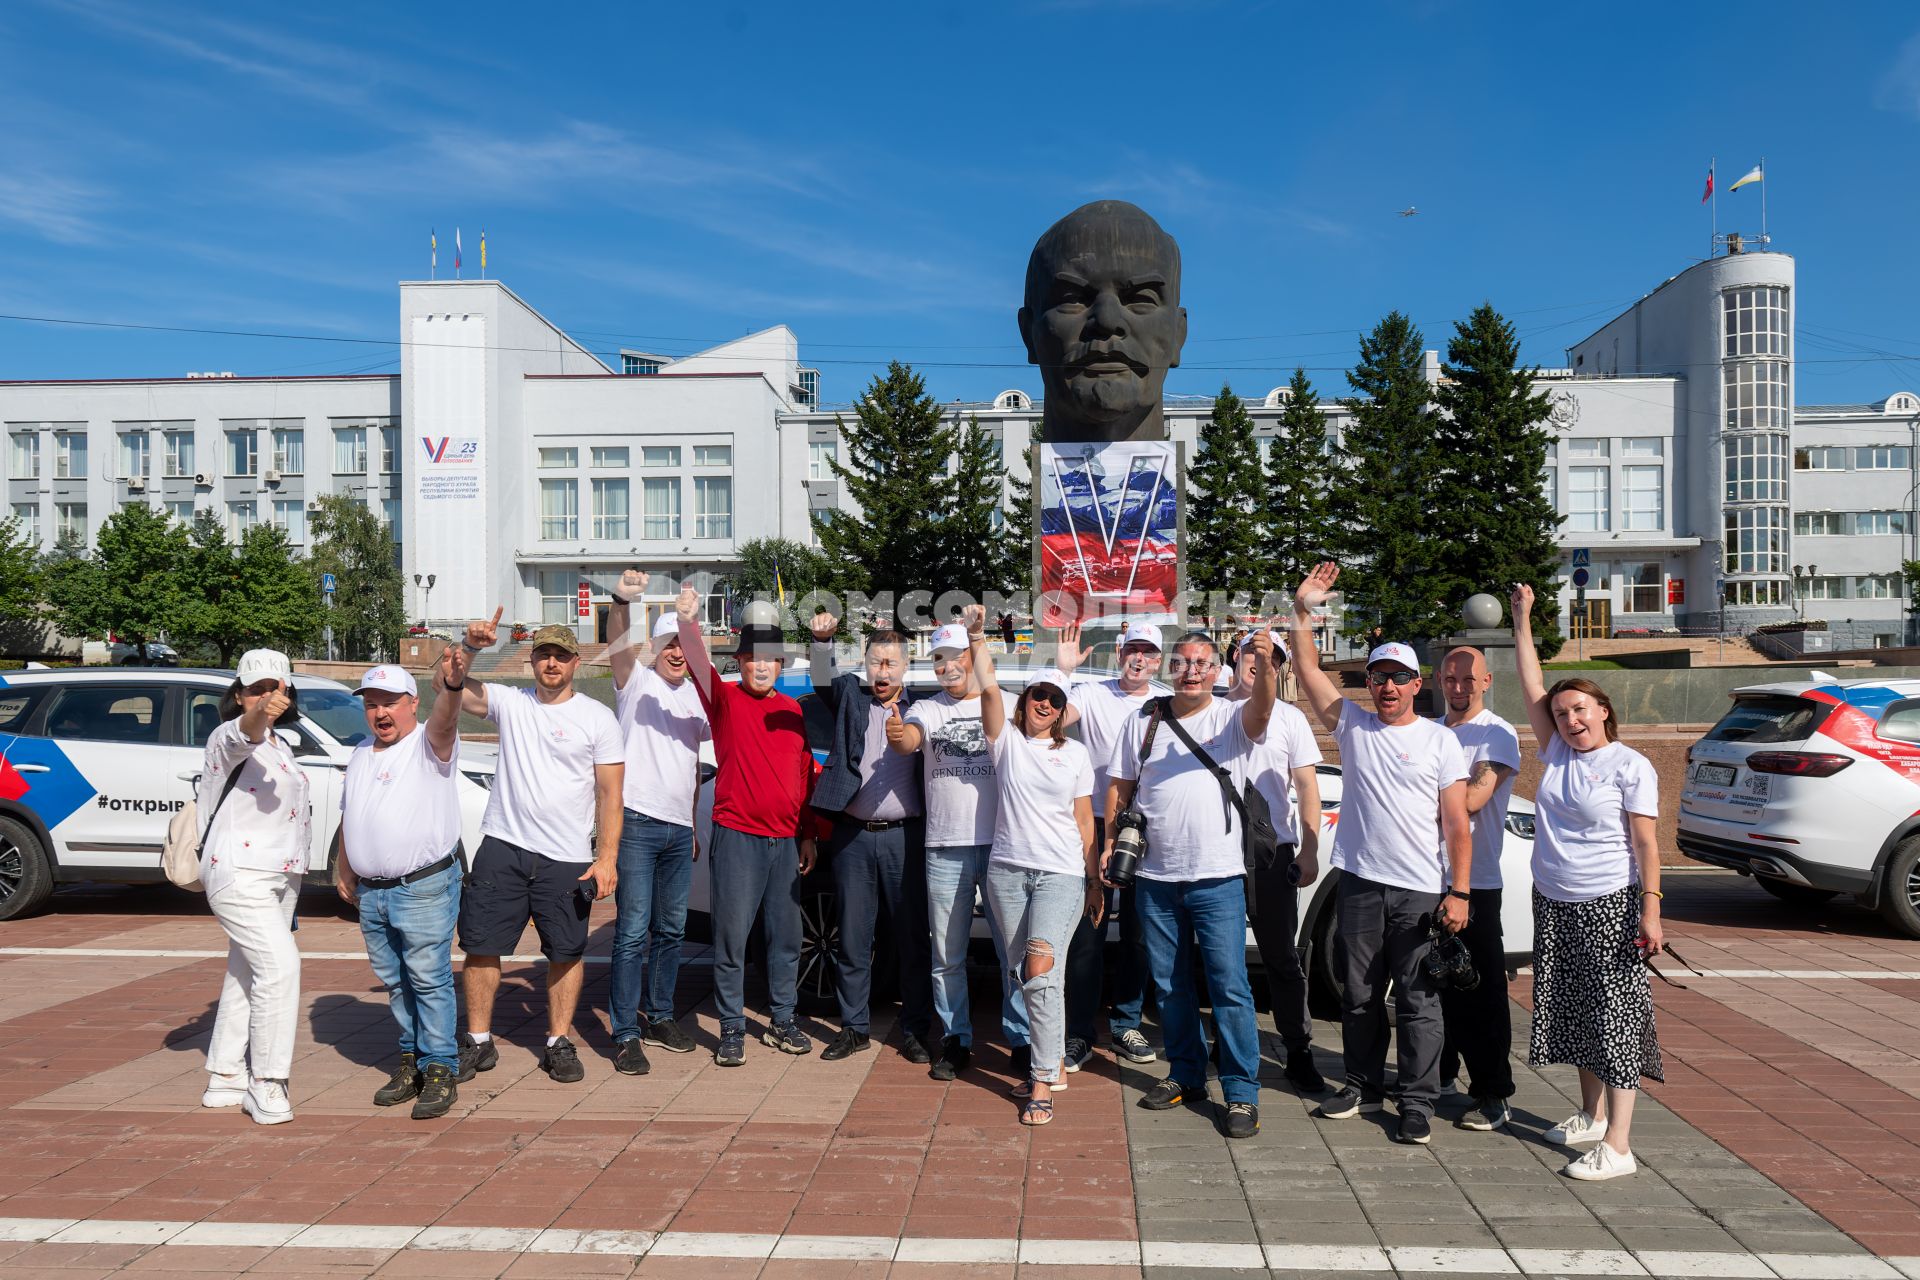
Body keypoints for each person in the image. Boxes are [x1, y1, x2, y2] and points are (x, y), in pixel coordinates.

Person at [1290, 563, 1471, 1147]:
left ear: (1418, 684)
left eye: (1398, 677)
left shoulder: (1441, 740)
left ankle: (1416, 1102)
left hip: (1420, 890)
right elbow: (1307, 670)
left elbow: (1456, 824)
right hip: (1361, 883)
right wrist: (1303, 611)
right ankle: (1363, 1084)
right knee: (1360, 995)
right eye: (1378, 677)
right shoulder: (1354, 727)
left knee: (1419, 1000)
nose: (1387, 686)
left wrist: (1459, 891)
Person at [1511, 584, 1664, 1181]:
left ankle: (1620, 1147)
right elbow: (1531, 684)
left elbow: (1647, 843)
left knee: (1615, 1018)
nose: (1570, 720)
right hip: (1555, 900)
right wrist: (1522, 621)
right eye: (1561, 713)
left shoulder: (1630, 766)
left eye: (1580, 710)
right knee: (1575, 1013)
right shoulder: (1555, 754)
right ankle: (1591, 1115)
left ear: (1603, 712)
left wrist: (1650, 910)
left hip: (1610, 905)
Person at [1109, 626, 1278, 1140]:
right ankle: (1186, 1075)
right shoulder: (1144, 721)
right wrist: (1109, 844)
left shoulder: (1231, 715)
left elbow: (1264, 711)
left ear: (1217, 671)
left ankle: (1242, 1092)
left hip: (1217, 876)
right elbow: (1120, 786)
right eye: (1183, 662)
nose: (1192, 671)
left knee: (1229, 987)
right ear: (1169, 668)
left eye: (1202, 663)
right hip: (1157, 877)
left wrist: (1267, 667)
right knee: (1170, 987)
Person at [451, 613, 623, 1084]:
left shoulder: (597, 717)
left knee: (566, 952)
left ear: (575, 663)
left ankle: (557, 1042)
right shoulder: (511, 703)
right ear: (531, 661)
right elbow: (454, 686)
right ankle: (480, 1041)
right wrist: (471, 646)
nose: (552, 663)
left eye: (561, 656)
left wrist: (606, 857)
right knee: (482, 948)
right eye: (544, 654)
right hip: (504, 845)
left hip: (566, 855)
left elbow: (611, 795)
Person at [677, 585, 817, 1066]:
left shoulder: (793, 709)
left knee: (784, 939)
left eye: (771, 659)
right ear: (739, 662)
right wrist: (688, 622)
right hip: (738, 836)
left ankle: (782, 1021)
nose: (761, 666)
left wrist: (807, 834)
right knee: (731, 940)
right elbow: (697, 664)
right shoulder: (726, 701)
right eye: (752, 658)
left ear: (781, 666)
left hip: (784, 842)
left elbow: (803, 775)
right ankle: (732, 1028)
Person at [889, 609, 1029, 1082]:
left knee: (1015, 950)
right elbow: (909, 741)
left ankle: (1023, 1039)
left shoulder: (1006, 704)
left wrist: (979, 635)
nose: (947, 667)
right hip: (944, 847)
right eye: (939, 660)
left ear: (973, 659)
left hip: (1001, 847)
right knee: (947, 953)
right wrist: (897, 736)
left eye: (956, 658)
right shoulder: (926, 709)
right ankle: (956, 1038)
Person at [335, 655, 467, 1120]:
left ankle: (440, 1069)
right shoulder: (358, 756)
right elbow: (351, 815)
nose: (381, 713)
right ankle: (412, 1059)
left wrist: (453, 682)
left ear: (414, 704)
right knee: (395, 983)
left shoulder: (430, 745)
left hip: (423, 887)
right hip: (374, 892)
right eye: (372, 704)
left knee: (429, 981)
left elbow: (447, 718)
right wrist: (343, 866)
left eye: (391, 702)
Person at [1032, 619, 1168, 1071]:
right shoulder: (1090, 693)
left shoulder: (1166, 702)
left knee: (1140, 934)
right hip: (1090, 827)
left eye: (1149, 652)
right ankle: (1078, 1034)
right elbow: (1045, 717)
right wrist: (1063, 672)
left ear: (1158, 661)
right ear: (1119, 653)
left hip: (1146, 830)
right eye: (1133, 649)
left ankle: (1127, 1023)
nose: (1139, 658)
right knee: (1087, 933)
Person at [974, 630, 1096, 1125]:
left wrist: (1093, 880)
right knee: (1019, 974)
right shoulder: (1006, 743)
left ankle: (1043, 1077)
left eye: (1055, 698)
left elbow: (1084, 819)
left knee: (1041, 972)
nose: (1045, 703)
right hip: (1006, 872)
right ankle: (1047, 1062)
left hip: (1061, 874)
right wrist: (978, 638)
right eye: (1038, 695)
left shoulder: (1076, 755)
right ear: (1023, 702)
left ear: (1064, 709)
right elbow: (986, 689)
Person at [807, 613, 934, 1064]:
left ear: (904, 667)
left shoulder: (924, 706)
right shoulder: (849, 697)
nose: (882, 672)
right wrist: (822, 641)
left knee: (912, 938)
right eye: (875, 663)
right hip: (853, 837)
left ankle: (916, 1029)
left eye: (890, 664)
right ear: (865, 665)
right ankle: (854, 1027)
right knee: (853, 938)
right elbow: (822, 680)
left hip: (907, 838)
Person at [199, 648, 312, 1126]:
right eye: (255, 689)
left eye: (275, 688)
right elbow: (242, 734)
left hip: (279, 876)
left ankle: (225, 1077)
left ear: (288, 691)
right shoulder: (228, 737)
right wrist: (257, 717)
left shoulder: (283, 746)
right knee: (281, 969)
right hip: (239, 872)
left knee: (247, 974)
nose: (266, 697)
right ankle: (267, 1083)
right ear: (239, 695)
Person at [605, 570, 710, 1075]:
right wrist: (624, 599)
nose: (674, 653)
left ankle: (660, 1015)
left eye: (681, 645)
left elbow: (691, 767)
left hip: (676, 829)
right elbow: (620, 642)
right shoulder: (635, 682)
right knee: (631, 932)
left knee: (671, 929)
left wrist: (690, 825)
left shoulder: (696, 695)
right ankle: (625, 1031)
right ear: (654, 647)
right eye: (667, 643)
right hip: (636, 823)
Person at [1225, 631, 1326, 1093]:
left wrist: (1309, 848)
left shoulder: (1290, 718)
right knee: (1217, 960)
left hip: (1271, 852)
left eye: (1272, 656)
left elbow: (1306, 786)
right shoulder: (1207, 710)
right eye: (1253, 653)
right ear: (1234, 656)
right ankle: (1222, 1046)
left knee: (1282, 958)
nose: (1260, 662)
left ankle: (1298, 1049)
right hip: (1215, 852)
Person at [1435, 646, 1522, 1132]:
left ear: (1486, 681)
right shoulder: (1429, 731)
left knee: (1481, 991)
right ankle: (1439, 1076)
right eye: (1450, 678)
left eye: (1469, 678)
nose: (1459, 686)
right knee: (1431, 987)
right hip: (1423, 877)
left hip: (1476, 883)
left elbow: (1470, 799)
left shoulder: (1497, 734)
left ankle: (1493, 1092)